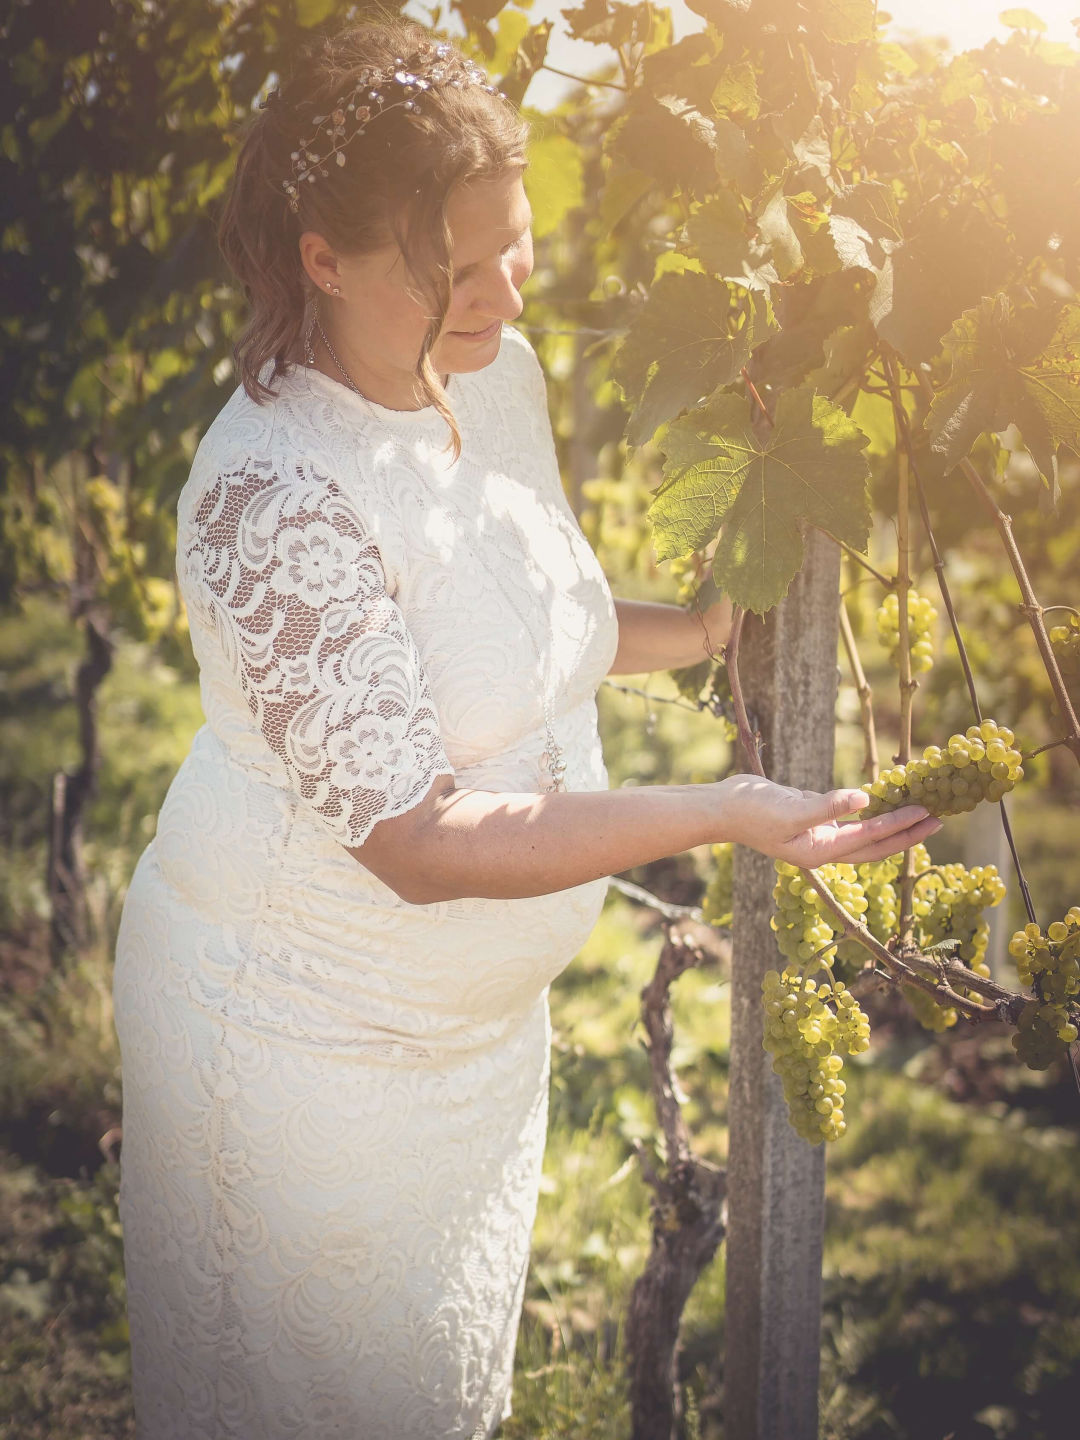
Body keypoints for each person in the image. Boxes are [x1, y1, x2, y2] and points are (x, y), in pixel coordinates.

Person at [110, 15, 942, 1440]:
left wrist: (703, 628)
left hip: (472, 1053)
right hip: (305, 1053)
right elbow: (421, 843)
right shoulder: (269, 496)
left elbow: (510, 610)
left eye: (516, 242)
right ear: (323, 255)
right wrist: (725, 809)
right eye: (460, 262)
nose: (505, 288)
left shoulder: (493, 375)